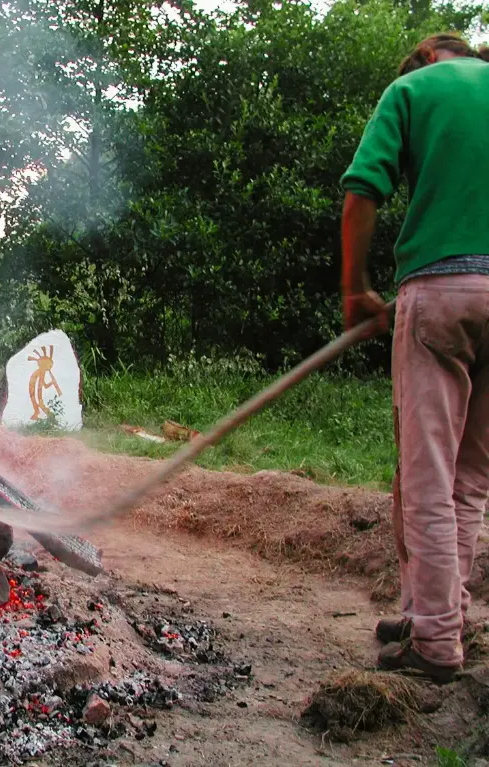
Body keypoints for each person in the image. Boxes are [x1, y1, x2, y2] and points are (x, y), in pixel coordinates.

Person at [340, 33, 489, 683]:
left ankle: (434, 643)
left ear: (430, 55)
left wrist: (355, 290)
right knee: (471, 477)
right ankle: (445, 614)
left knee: (427, 472)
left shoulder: (411, 89)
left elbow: (361, 193)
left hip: (440, 290)